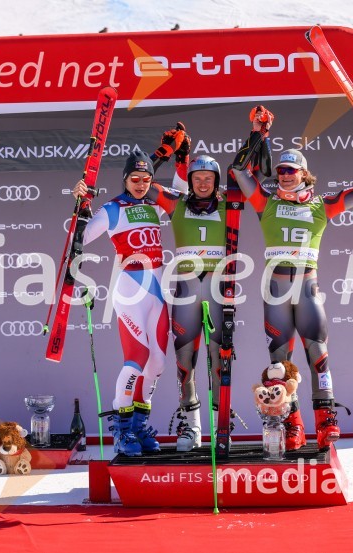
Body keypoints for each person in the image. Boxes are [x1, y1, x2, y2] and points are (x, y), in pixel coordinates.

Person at [231, 107, 353, 451]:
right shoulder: (266, 201)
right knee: (279, 365)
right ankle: (291, 425)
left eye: (291, 170)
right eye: (280, 171)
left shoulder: (322, 205)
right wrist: (258, 133)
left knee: (318, 354)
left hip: (307, 287)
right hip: (275, 288)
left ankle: (325, 422)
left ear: (305, 173)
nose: (284, 175)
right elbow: (238, 171)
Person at [71, 151, 169, 457]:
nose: (140, 184)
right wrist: (81, 204)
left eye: (146, 179)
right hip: (130, 289)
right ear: (125, 179)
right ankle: (122, 426)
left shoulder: (155, 206)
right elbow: (80, 237)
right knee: (136, 358)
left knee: (158, 363)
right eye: (134, 179)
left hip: (158, 289)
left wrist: (179, 156)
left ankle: (139, 425)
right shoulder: (113, 208)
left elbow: (183, 191)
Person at [144, 128, 228, 452]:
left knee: (220, 362)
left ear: (216, 181)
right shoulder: (176, 203)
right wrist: (163, 153)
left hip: (220, 289)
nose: (203, 183)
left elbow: (257, 185)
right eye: (197, 177)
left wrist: (258, 138)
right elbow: (142, 183)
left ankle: (222, 428)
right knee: (185, 362)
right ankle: (191, 427)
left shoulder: (228, 204)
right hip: (187, 289)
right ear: (190, 179)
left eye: (209, 178)